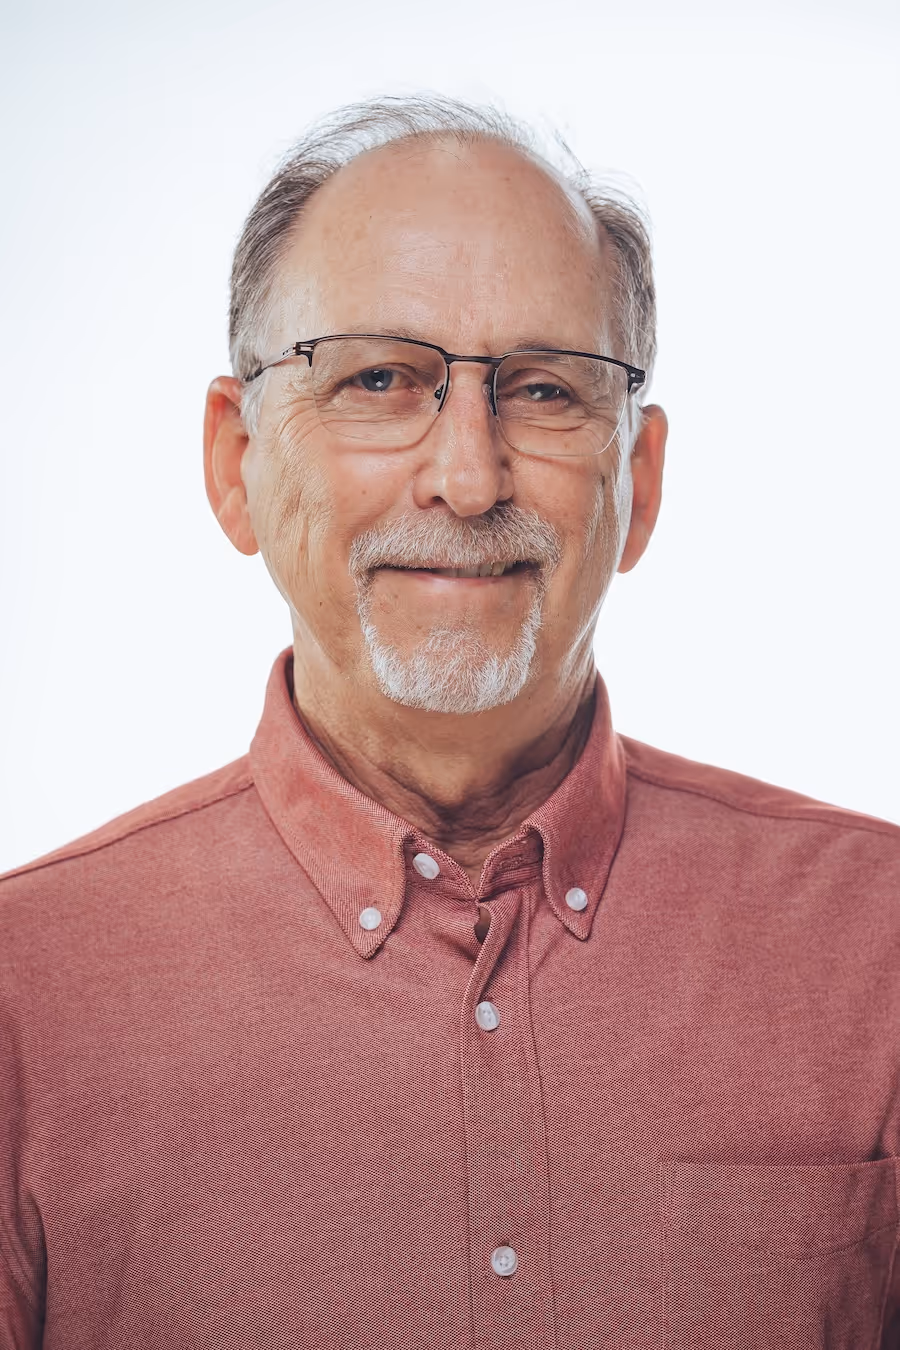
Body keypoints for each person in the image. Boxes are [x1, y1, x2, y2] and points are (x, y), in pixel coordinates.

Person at [1, 94, 898, 1350]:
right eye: (379, 378)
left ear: (637, 484)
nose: (469, 478)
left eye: (543, 390)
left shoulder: (879, 946)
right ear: (234, 461)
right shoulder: (25, 995)